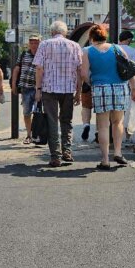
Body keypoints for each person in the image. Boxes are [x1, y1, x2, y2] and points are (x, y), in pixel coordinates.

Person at [81, 26, 135, 170]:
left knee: (102, 126)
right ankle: (118, 152)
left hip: (100, 88)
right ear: (105, 36)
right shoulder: (117, 49)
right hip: (119, 88)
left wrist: (92, 82)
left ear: (91, 38)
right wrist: (134, 89)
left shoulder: (87, 51)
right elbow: (129, 69)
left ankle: (105, 159)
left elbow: (83, 74)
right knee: (117, 122)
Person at [33, 21, 83, 167]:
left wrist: (38, 89)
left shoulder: (45, 45)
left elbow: (39, 69)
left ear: (52, 32)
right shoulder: (74, 46)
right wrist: (78, 91)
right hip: (68, 90)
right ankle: (67, 151)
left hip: (49, 89)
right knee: (66, 121)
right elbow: (80, 71)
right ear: (65, 32)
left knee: (52, 121)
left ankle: (55, 156)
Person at [10, 34, 41, 144]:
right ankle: (29, 135)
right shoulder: (24, 54)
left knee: (38, 113)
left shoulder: (43, 55)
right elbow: (16, 69)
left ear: (39, 43)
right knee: (27, 113)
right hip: (25, 88)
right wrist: (14, 85)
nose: (33, 45)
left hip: (38, 88)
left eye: (36, 42)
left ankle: (38, 135)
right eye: (31, 42)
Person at [118, 31, 135, 144]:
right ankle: (127, 137)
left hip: (115, 83)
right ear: (129, 40)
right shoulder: (133, 51)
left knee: (117, 112)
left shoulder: (113, 49)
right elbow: (133, 69)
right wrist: (134, 89)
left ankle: (116, 137)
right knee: (129, 111)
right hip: (128, 83)